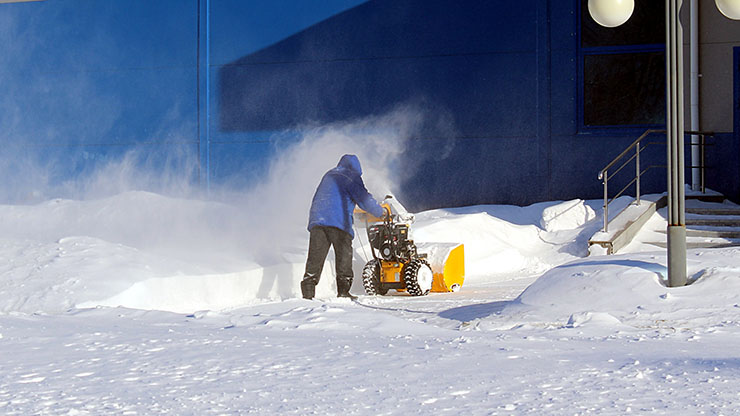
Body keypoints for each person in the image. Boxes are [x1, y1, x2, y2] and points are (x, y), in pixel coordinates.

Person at [301, 154, 385, 300]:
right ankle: (343, 292)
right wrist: (381, 212)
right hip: (338, 221)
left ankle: (308, 294)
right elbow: (364, 199)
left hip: (317, 220)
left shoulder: (329, 174)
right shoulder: (351, 176)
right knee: (344, 256)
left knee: (315, 258)